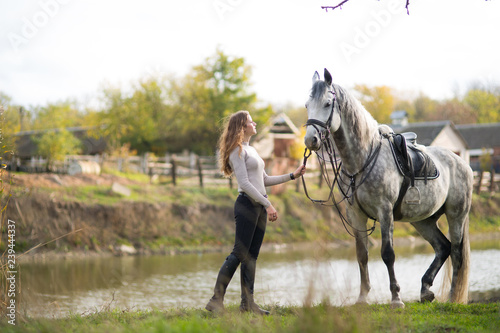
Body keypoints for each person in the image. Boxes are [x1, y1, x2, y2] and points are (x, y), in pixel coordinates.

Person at [205, 110, 306, 315]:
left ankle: (248, 304)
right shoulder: (237, 150)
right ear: (242, 127)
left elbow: (264, 180)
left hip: (258, 206)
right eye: (251, 121)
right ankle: (216, 300)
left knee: (251, 256)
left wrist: (292, 176)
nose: (255, 123)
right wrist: (268, 204)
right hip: (246, 205)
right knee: (239, 253)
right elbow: (244, 184)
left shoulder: (252, 150)